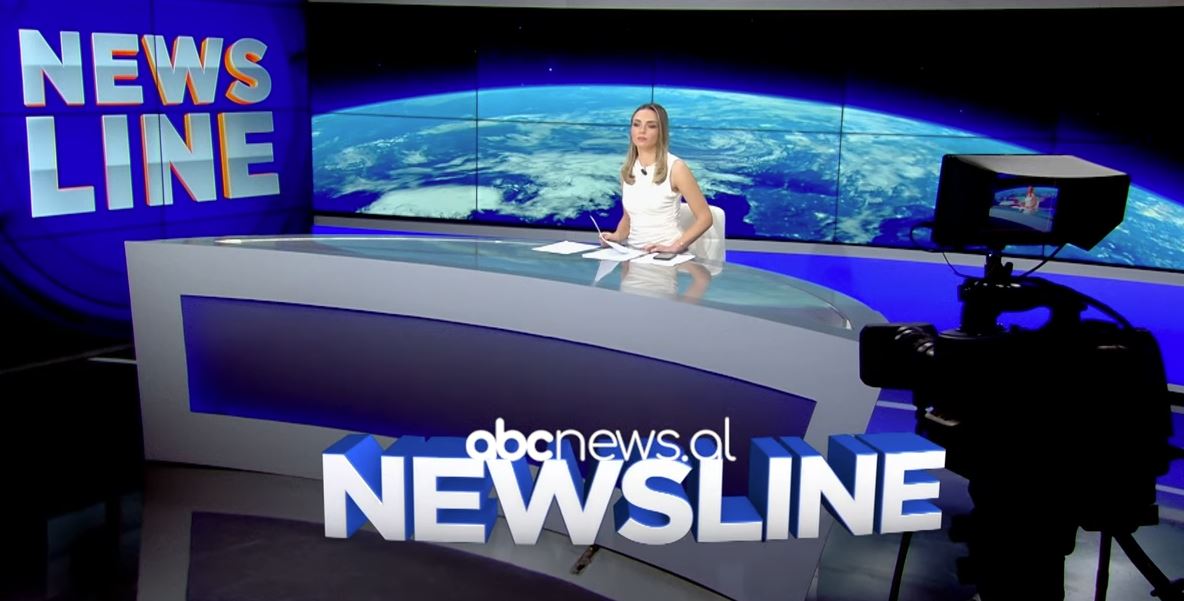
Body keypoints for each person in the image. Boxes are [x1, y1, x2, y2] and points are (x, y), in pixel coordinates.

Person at [599, 103, 714, 255]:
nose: (642, 130)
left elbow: (705, 218)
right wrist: (616, 236)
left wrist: (676, 246)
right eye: (636, 124)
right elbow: (628, 218)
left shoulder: (676, 168)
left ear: (661, 132)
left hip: (666, 255)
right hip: (633, 254)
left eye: (651, 126)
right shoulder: (627, 170)